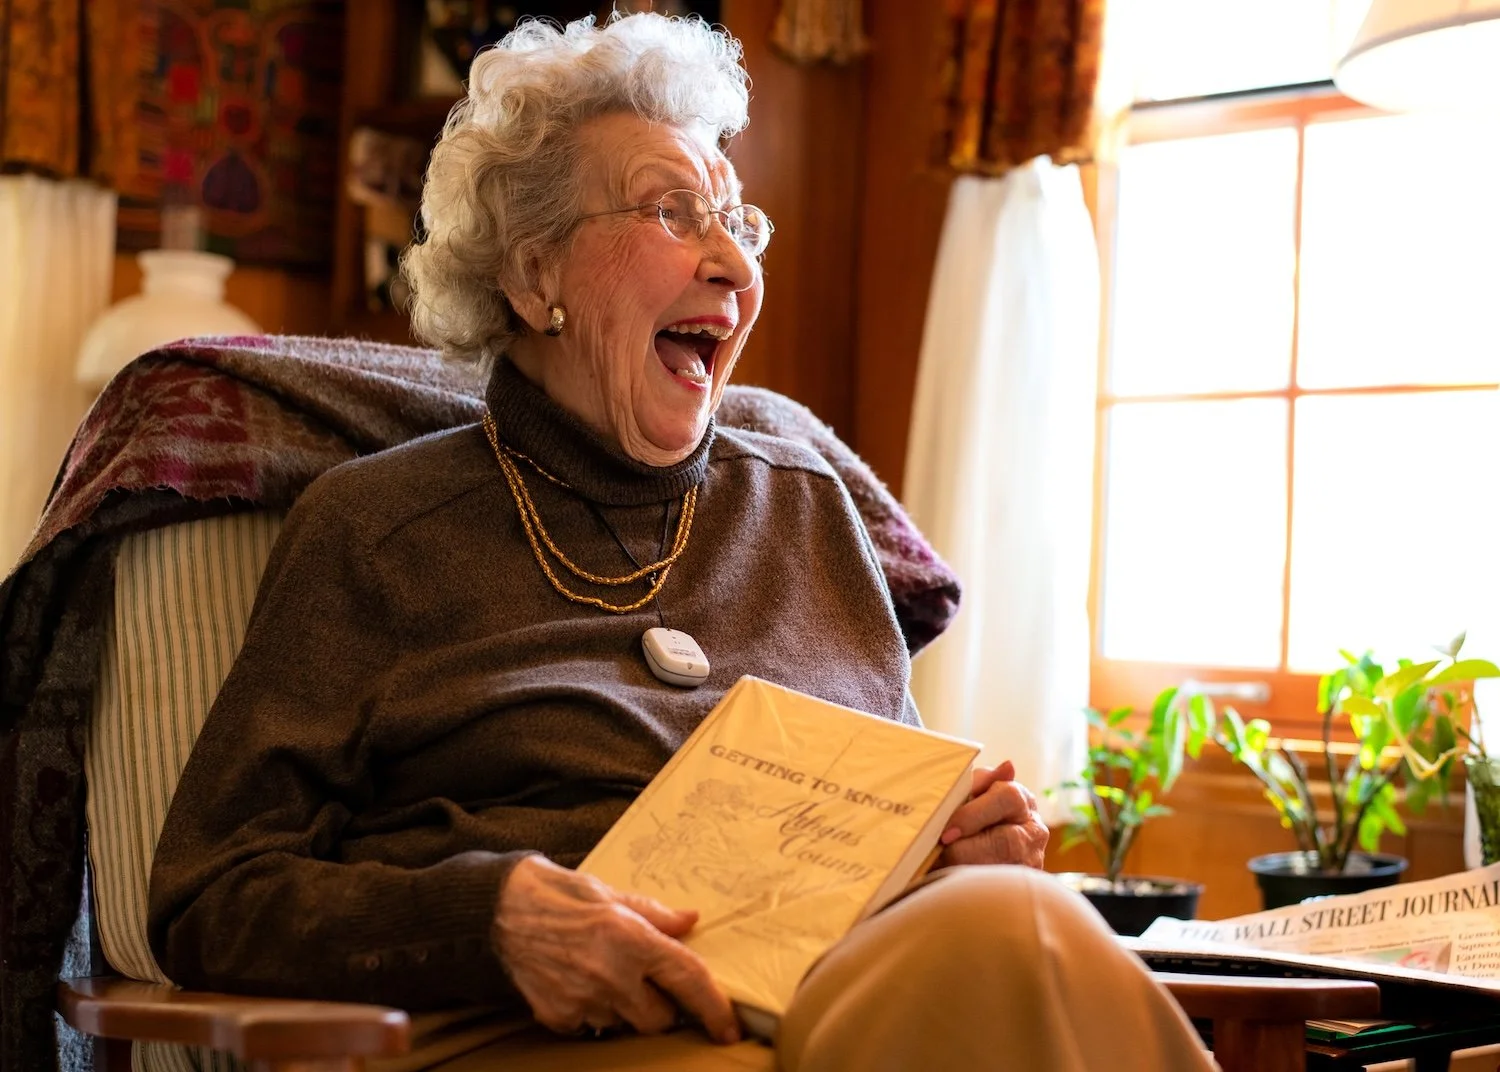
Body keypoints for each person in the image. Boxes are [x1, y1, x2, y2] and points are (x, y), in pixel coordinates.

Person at [148, 13, 1216, 1071]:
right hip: (531, 1027)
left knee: (1020, 921)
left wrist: (960, 850)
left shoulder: (805, 505)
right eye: (672, 212)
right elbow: (211, 895)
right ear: (534, 276)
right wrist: (490, 920)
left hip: (827, 998)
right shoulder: (376, 530)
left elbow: (895, 831)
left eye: (739, 222)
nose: (733, 263)